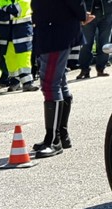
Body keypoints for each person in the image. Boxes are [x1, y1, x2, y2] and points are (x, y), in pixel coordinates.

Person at [31, 0, 91, 158]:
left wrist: (82, 15)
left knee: (50, 84)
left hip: (57, 32)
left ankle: (53, 140)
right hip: (52, 30)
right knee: (59, 82)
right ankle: (61, 135)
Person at [0, 0, 37, 91]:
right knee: (9, 57)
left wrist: (5, 10)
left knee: (24, 56)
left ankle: (27, 82)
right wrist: (11, 13)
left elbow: (18, 10)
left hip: (22, 31)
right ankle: (14, 81)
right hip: (6, 33)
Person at [76, 0, 112, 79]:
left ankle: (101, 68)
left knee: (105, 43)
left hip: (107, 11)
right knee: (86, 43)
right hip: (88, 11)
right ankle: (84, 69)